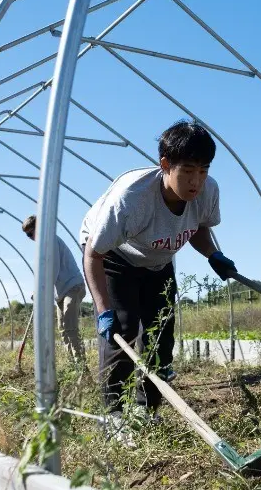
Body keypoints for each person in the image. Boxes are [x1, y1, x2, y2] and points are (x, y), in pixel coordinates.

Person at [79, 120, 237, 439]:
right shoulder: (131, 199)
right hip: (114, 257)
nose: (196, 181)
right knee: (122, 330)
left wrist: (213, 255)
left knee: (161, 336)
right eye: (188, 171)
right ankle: (114, 415)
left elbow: (198, 227)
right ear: (165, 165)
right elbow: (93, 255)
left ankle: (147, 410)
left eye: (203, 171)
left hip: (158, 260)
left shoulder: (208, 192)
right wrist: (102, 310)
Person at [22, 215, 87, 368]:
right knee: (63, 330)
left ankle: (83, 370)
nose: (30, 237)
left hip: (72, 287)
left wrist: (42, 291)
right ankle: (74, 367)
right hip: (61, 293)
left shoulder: (50, 241)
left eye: (31, 233)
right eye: (27, 235)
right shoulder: (42, 248)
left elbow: (53, 270)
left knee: (70, 328)